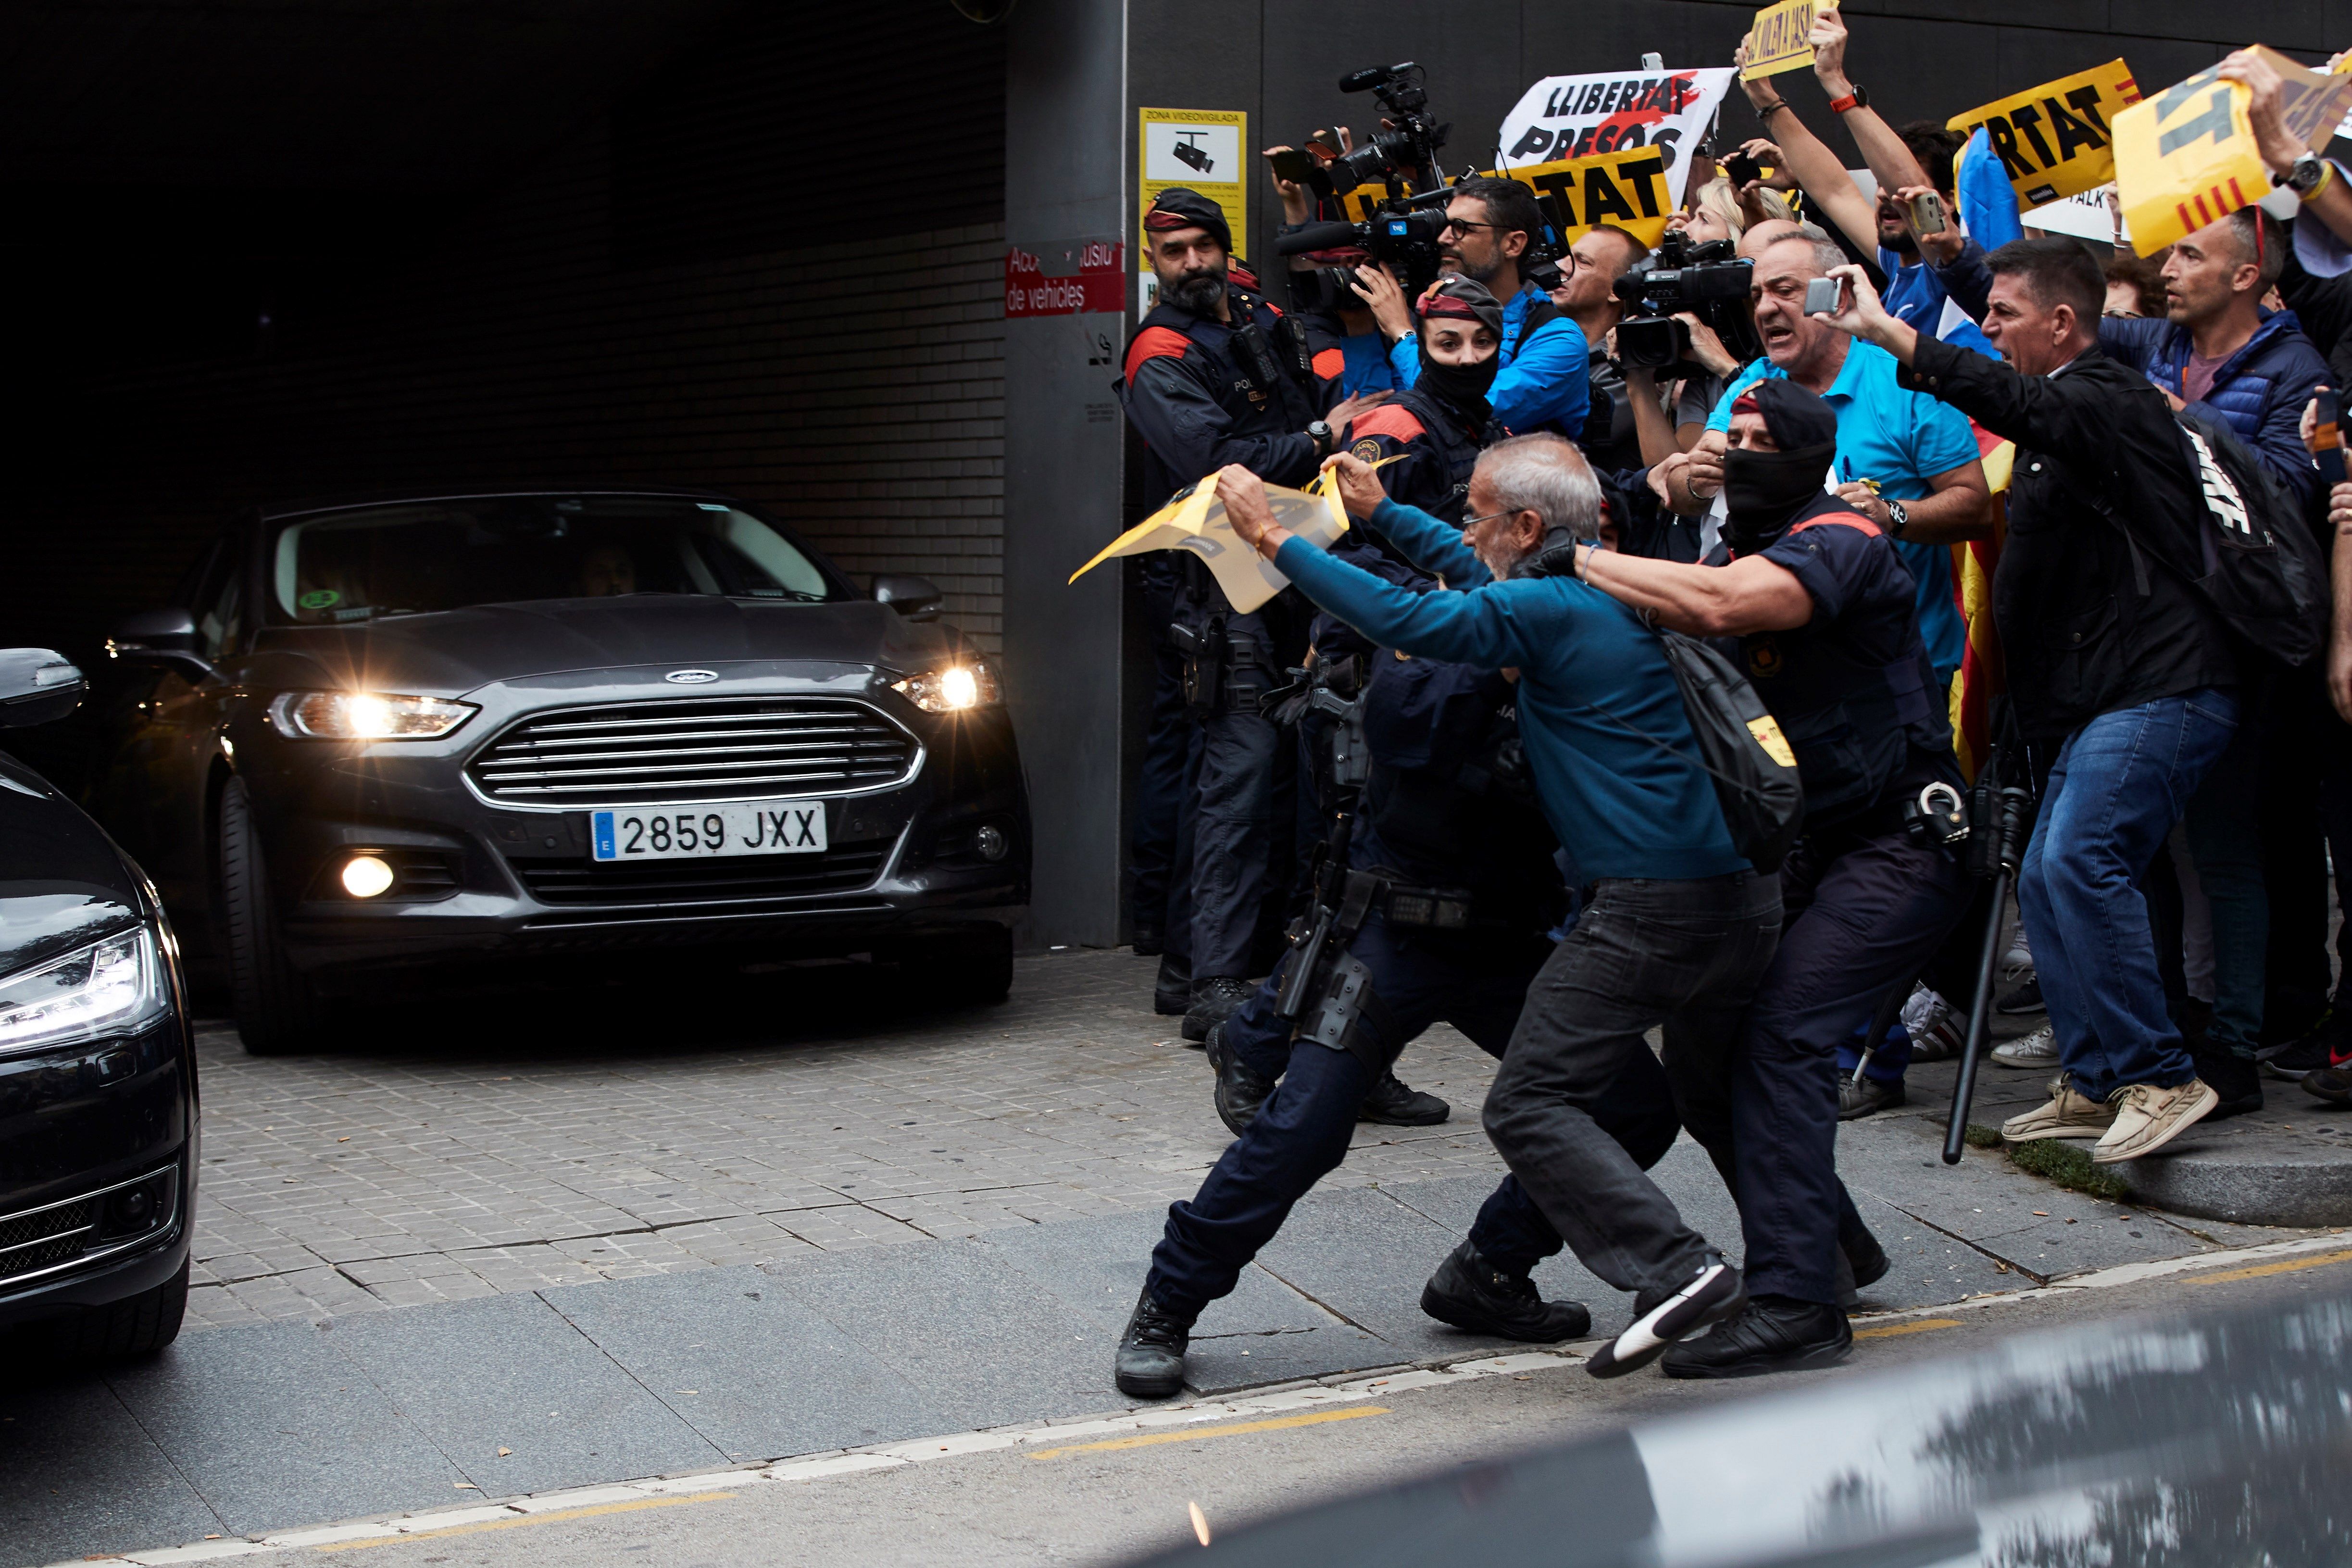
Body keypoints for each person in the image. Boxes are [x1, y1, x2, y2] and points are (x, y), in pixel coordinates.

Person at [1114, 436, 1781, 1396]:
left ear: (1526, 531)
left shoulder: (1551, 612)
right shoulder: (1486, 625)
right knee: (1298, 1130)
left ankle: (1488, 1270)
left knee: (1633, 1108)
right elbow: (1420, 667)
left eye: (1478, 516)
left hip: (1508, 933)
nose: (1466, 536)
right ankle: (1167, 1300)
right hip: (1396, 931)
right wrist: (1381, 523)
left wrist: (1291, 538)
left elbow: (1462, 597)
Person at [1818, 238, 2237, 1163]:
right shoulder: (2063, 421)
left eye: (2003, 315)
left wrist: (1891, 335)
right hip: (2092, 698)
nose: (1990, 328)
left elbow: (2012, 401)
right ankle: (2094, 1083)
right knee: (2048, 874)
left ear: (2060, 324)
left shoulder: (2107, 401)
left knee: (2081, 860)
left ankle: (2160, 1074)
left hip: (2161, 688)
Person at [1116, 187, 1387, 1034]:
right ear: (1151, 261)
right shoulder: (1157, 351)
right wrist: (1317, 442)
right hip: (1220, 583)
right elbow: (1213, 462)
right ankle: (1212, 979)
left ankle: (1218, 966)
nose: (1191, 263)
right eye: (1173, 252)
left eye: (1202, 246)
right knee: (1234, 781)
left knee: (1275, 780)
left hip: (1289, 565)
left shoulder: (1255, 311)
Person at [1659, 230, 1993, 685]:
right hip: (1780, 672)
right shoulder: (1752, 384)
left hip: (1900, 671)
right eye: (1757, 295)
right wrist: (1697, 481)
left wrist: (1890, 513)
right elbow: (1682, 494)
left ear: (1835, 294)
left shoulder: (1905, 383)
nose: (1763, 308)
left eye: (1785, 290)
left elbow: (1976, 508)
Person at [1358, 177, 1590, 439]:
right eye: (1445, 226)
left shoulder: (1560, 340)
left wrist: (1402, 334)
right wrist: (1358, 329)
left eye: (1461, 228)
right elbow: (1367, 414)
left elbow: (1466, 413)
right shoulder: (1430, 318)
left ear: (1513, 244)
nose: (1444, 238)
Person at [1547, 225, 1652, 472]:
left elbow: (1566, 442)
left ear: (1618, 291)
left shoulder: (1630, 364)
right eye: (1567, 256)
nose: (1561, 266)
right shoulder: (1540, 342)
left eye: (1582, 262)